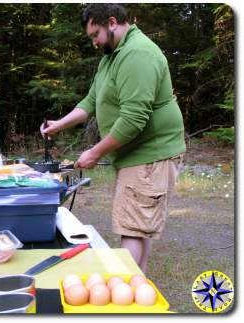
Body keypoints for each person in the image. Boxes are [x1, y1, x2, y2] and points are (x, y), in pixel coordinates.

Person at [41, 4, 186, 273]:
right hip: (137, 154)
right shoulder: (112, 56)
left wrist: (95, 152)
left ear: (112, 22)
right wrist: (59, 125)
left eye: (95, 34)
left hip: (151, 153)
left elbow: (134, 119)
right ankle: (136, 288)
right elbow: (92, 100)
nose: (94, 42)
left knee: (131, 228)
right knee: (137, 226)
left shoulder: (137, 54)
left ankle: (127, 294)